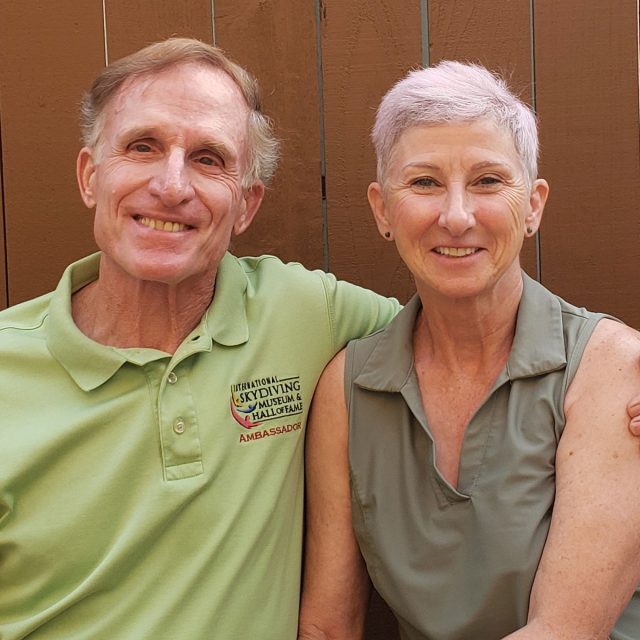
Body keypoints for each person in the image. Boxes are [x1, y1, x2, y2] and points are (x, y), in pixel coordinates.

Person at [0, 38, 402, 640]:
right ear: (91, 176)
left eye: (209, 159)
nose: (171, 185)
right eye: (143, 146)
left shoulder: (305, 313)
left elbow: (468, 343)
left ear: (245, 205)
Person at [299, 61, 640, 640]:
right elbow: (329, 625)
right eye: (424, 182)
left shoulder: (608, 368)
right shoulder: (348, 389)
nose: (456, 217)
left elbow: (563, 631)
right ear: (383, 209)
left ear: (533, 206)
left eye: (487, 181)